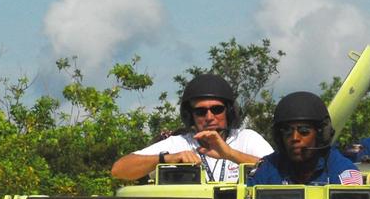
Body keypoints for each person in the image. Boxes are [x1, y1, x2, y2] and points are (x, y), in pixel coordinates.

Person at [111, 73, 272, 182]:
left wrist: (230, 154)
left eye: (216, 109)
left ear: (228, 112)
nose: (209, 117)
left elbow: (279, 173)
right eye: (201, 111)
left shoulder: (247, 139)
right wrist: (167, 159)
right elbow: (119, 170)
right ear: (191, 115)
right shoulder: (178, 144)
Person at [247, 92, 363, 186]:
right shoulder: (268, 167)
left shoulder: (343, 171)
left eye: (304, 131)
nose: (294, 138)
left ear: (321, 134)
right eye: (287, 131)